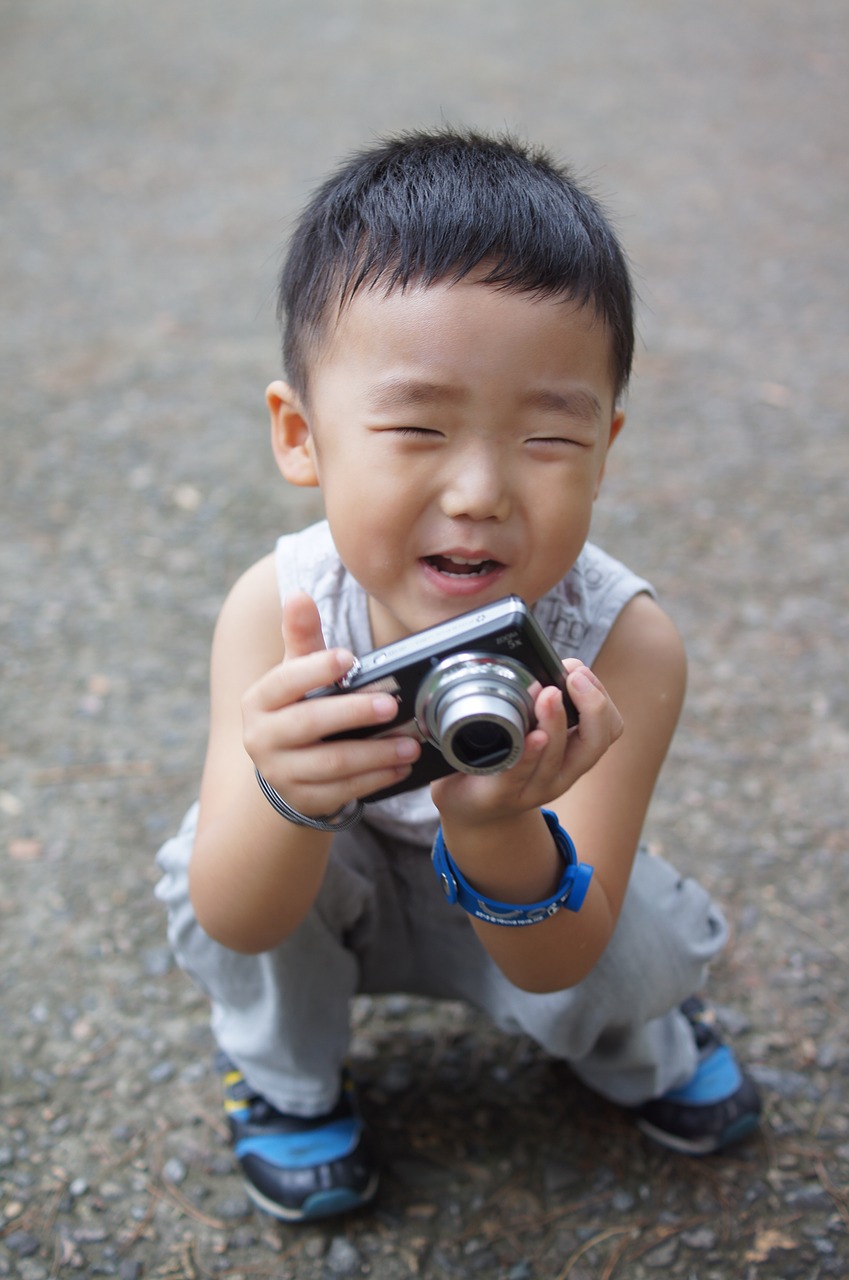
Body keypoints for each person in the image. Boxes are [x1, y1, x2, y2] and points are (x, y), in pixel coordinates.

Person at [156, 128, 760, 1223]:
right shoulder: (278, 610)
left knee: (627, 946)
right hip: (329, 893)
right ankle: (288, 1080)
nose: (480, 489)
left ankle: (640, 1039)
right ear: (302, 435)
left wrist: (491, 826)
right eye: (418, 426)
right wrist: (288, 792)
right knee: (218, 845)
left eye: (547, 438)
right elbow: (235, 917)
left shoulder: (623, 640)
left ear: (607, 446)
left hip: (533, 919)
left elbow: (563, 955)